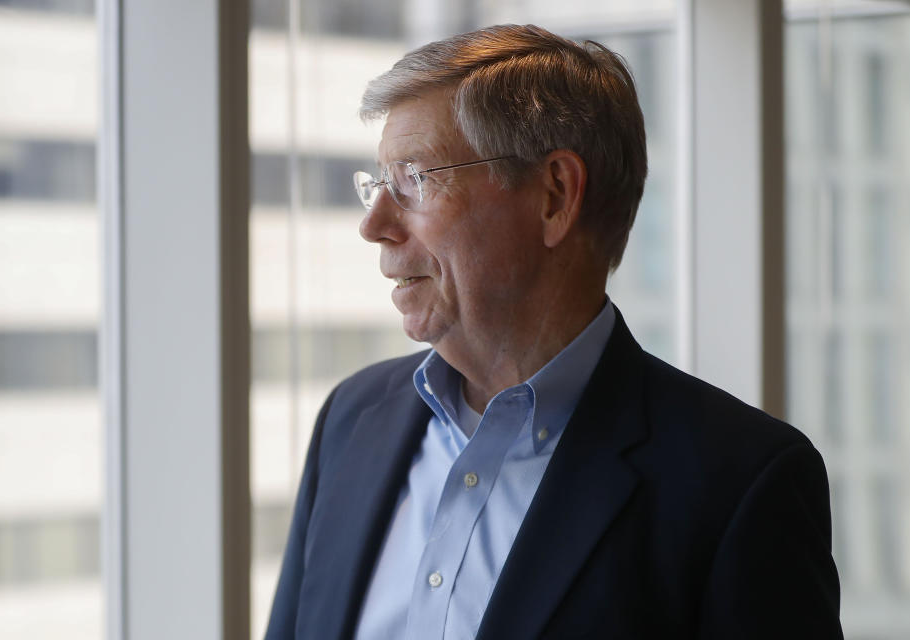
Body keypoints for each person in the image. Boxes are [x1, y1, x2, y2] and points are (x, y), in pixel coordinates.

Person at [264, 24, 843, 640]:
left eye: (415, 179)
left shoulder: (740, 485)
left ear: (554, 195)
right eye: (377, 184)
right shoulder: (351, 422)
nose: (374, 224)